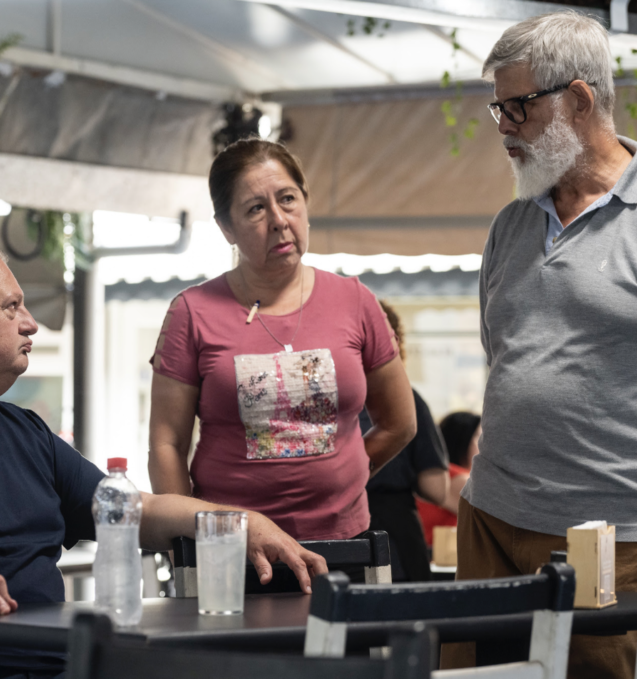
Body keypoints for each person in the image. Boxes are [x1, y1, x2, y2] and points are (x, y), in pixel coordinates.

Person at [0, 240, 327, 679]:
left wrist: (240, 523)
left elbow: (128, 510)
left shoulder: (23, 432)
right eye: (10, 307)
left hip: (40, 661)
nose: (31, 324)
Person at [442, 11, 637, 678]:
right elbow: (507, 359)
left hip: (617, 536)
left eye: (519, 107)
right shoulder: (511, 225)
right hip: (492, 520)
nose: (503, 126)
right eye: (498, 107)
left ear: (580, 100)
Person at [148, 138, 417, 542]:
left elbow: (400, 423)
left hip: (343, 540)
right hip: (231, 548)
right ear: (226, 228)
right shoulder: (192, 312)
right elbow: (167, 443)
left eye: (287, 199)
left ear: (305, 203)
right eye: (255, 208)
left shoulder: (356, 301)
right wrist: (188, 543)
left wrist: (346, 474)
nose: (278, 219)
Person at [360, 300, 449, 582]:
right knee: (404, 618)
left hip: (337, 529)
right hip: (394, 531)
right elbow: (435, 488)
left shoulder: (328, 401)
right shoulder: (408, 400)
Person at [416, 411, 480, 548]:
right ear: (462, 441)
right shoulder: (460, 479)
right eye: (479, 438)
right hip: (441, 560)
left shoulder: (434, 473)